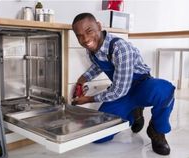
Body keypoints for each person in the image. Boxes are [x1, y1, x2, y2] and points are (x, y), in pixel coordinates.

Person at [71, 12, 175, 156]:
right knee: (99, 137)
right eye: (79, 36)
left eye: (89, 31)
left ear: (99, 26)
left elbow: (118, 91)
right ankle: (134, 112)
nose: (85, 39)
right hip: (122, 93)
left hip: (141, 86)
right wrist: (82, 79)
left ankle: (157, 130)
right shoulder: (92, 50)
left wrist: (88, 99)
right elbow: (98, 65)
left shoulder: (120, 48)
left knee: (164, 90)